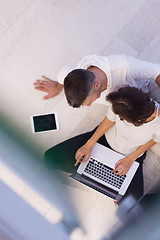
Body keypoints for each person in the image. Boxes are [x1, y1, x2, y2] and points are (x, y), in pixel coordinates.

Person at [44, 86, 160, 203]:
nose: (118, 118)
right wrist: (89, 144)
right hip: (104, 140)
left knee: (132, 205)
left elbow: (154, 139)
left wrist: (131, 158)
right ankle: (90, 174)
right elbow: (109, 119)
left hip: (131, 155)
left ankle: (93, 174)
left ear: (137, 122)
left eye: (121, 118)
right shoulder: (124, 100)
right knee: (51, 157)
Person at [34, 54, 160, 106]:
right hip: (126, 105)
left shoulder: (124, 66)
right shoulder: (72, 75)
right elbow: (63, 73)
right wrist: (56, 88)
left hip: (146, 87)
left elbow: (156, 71)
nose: (89, 105)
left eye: (89, 102)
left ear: (96, 85)